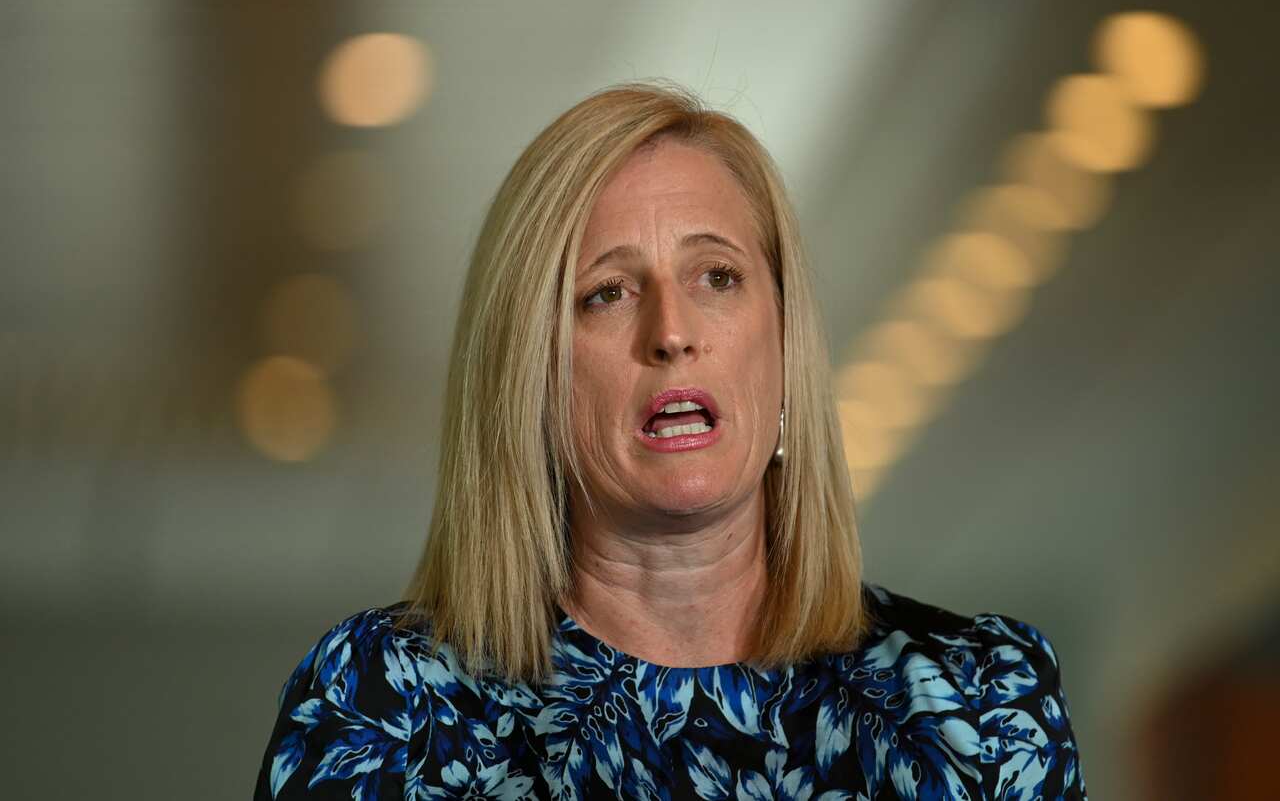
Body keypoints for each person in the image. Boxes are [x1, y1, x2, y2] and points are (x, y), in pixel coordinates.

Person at [254, 83, 1087, 799]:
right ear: (528, 375)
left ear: (786, 340)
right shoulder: (388, 708)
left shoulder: (980, 703)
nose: (672, 331)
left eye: (717, 276)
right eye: (607, 293)